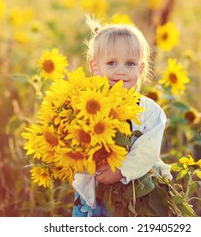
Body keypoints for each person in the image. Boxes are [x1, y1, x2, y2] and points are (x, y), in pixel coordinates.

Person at [72, 16, 172, 217]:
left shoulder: (149, 111)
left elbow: (148, 150)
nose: (121, 71)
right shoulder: (85, 106)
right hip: (95, 193)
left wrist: (121, 170)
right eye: (111, 63)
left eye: (130, 64)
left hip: (137, 192)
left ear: (141, 68)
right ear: (95, 67)